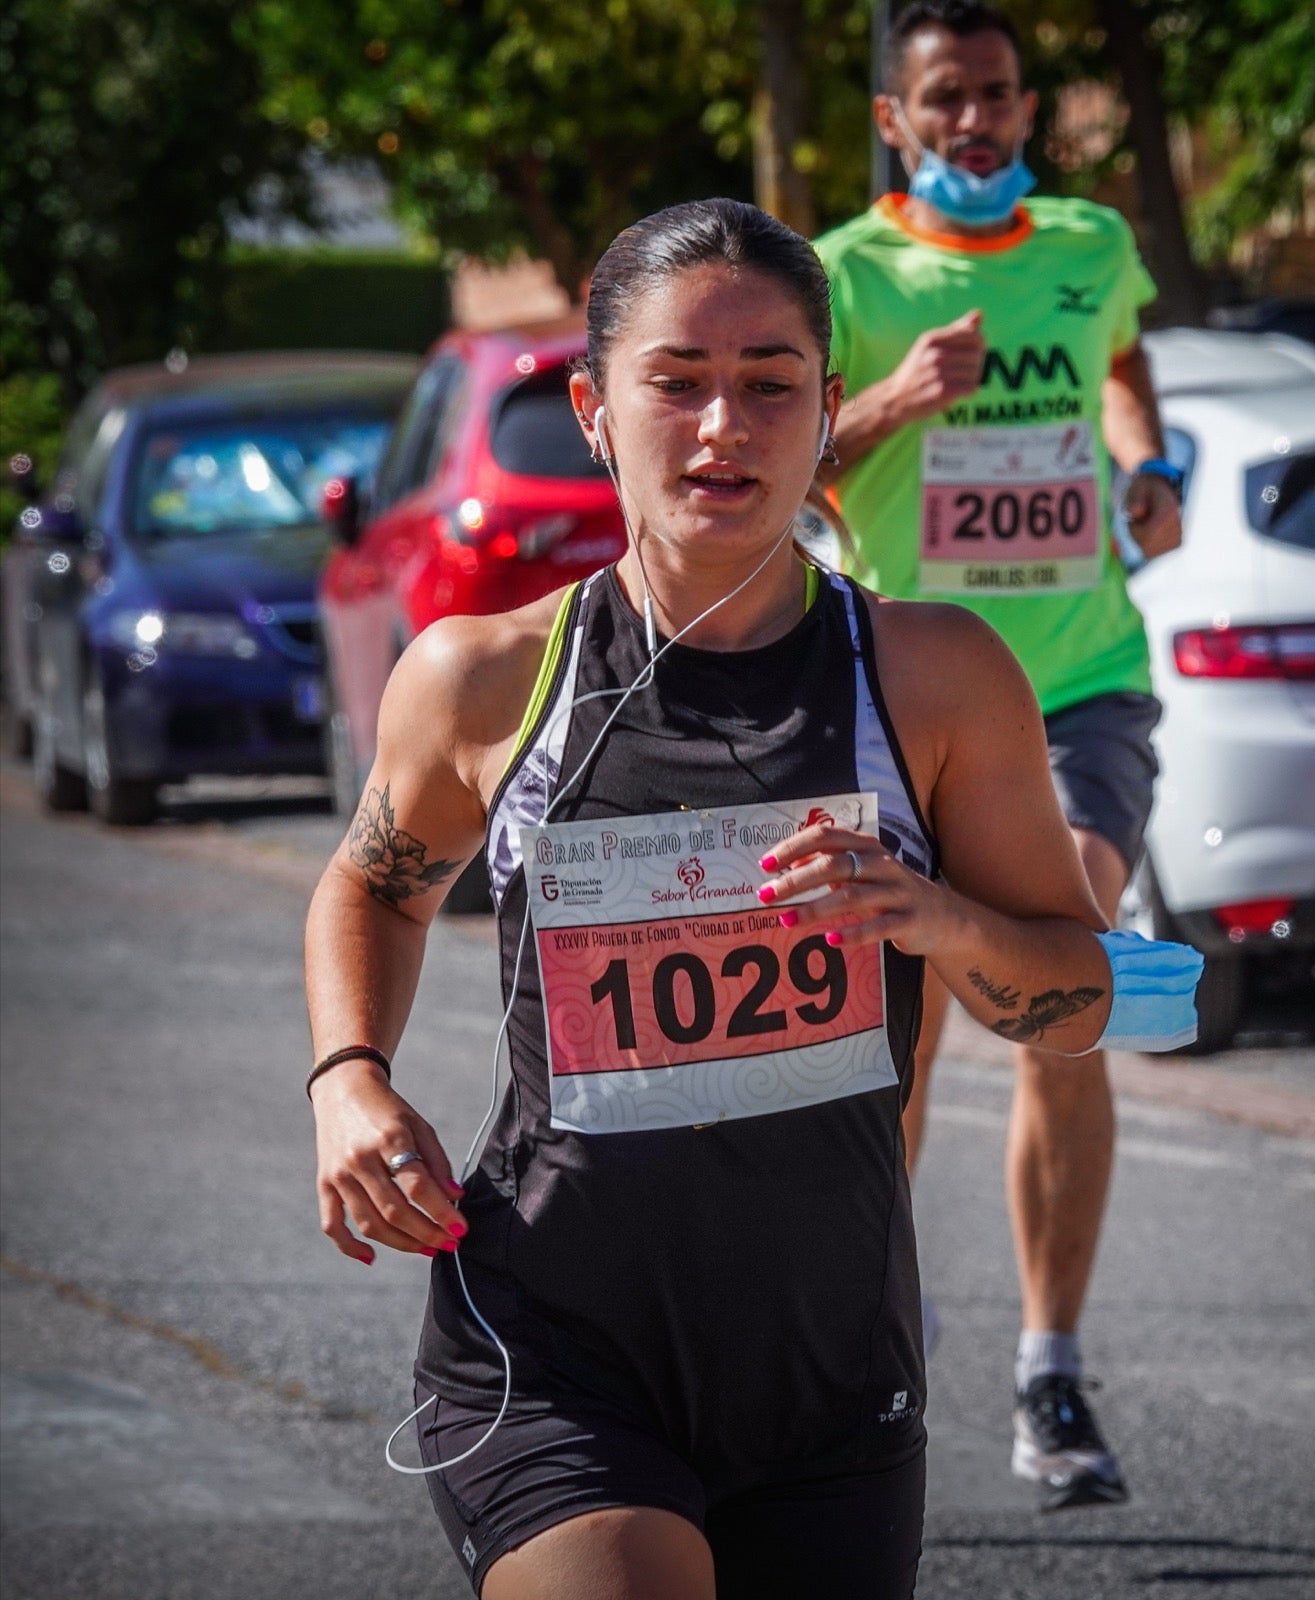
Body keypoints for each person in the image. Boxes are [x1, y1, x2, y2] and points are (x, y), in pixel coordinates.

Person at [302, 198, 1184, 1599]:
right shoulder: (480, 678)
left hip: (830, 1369)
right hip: (553, 1348)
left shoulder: (934, 678)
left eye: (770, 386)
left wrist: (935, 920)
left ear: (829, 410)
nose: (723, 428)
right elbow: (374, 887)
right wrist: (348, 1076)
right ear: (595, 410)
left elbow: (1073, 1004)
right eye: (677, 383)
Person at [813, 0, 1185, 1512]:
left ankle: (1048, 1369)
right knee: (894, 1055)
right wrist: (897, 401)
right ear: (895, 122)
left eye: (1002, 97)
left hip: (1080, 687)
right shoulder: (841, 275)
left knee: (1059, 981)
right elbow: (782, 457)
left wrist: (1146, 464)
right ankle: (878, 1332)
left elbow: (1121, 367)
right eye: (948, 100)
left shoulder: (1088, 240)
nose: (980, 122)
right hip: (902, 706)